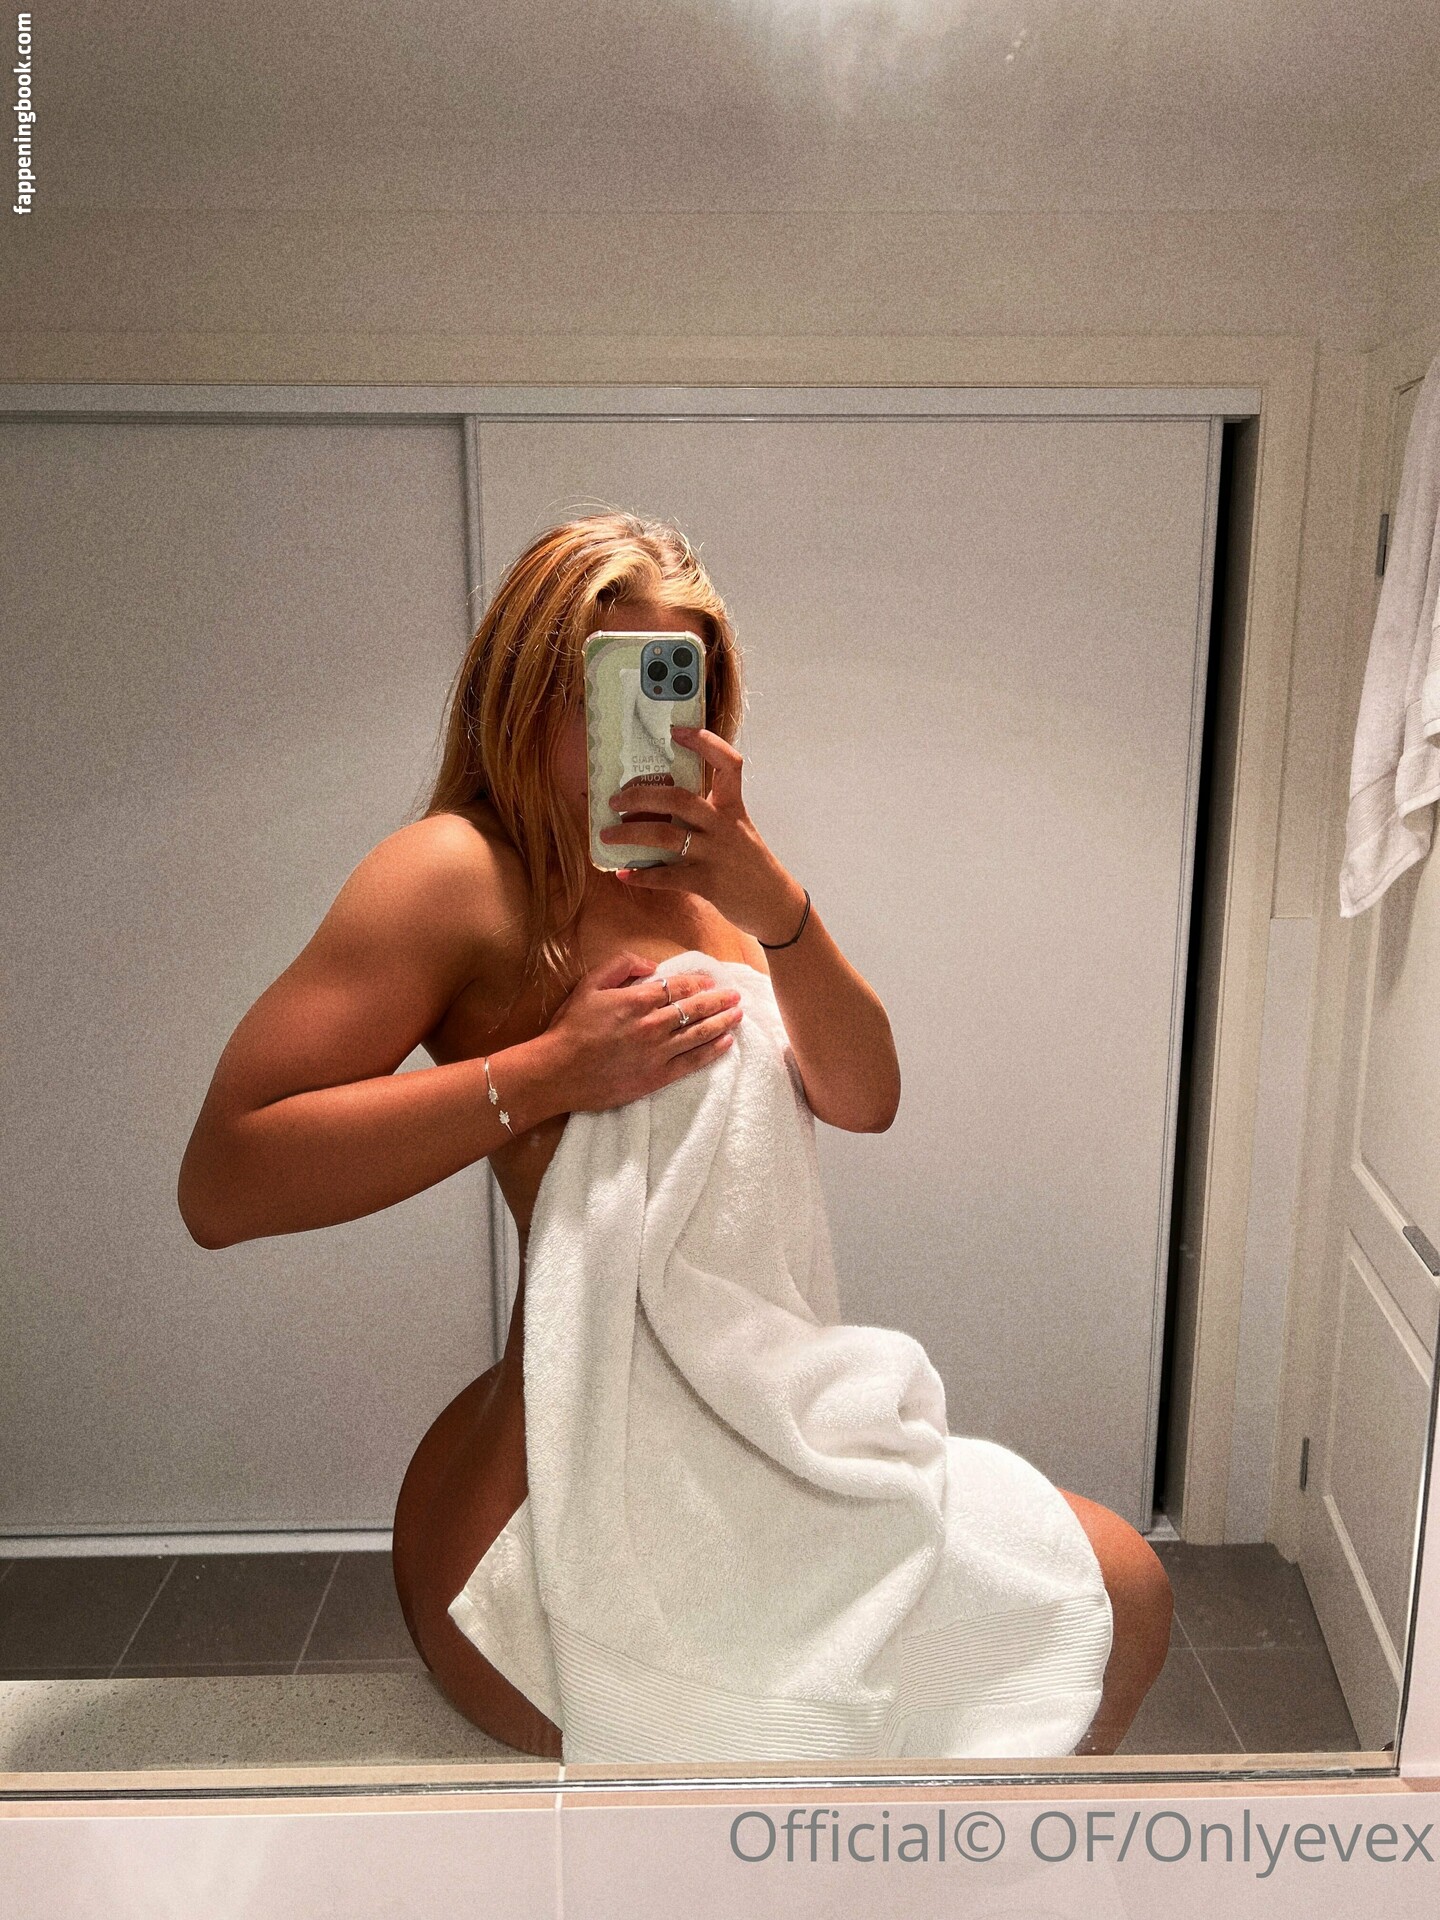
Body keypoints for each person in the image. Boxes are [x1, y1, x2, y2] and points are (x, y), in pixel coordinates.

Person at [177, 510, 1172, 1761]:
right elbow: (225, 1180)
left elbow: (863, 1095)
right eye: (597, 686)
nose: (635, 728)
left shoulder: (711, 885)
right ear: (520, 690)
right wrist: (547, 1071)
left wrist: (777, 902)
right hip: (564, 1482)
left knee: (1119, 1590)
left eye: (673, 682)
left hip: (752, 1424)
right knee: (885, 1698)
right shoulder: (457, 874)